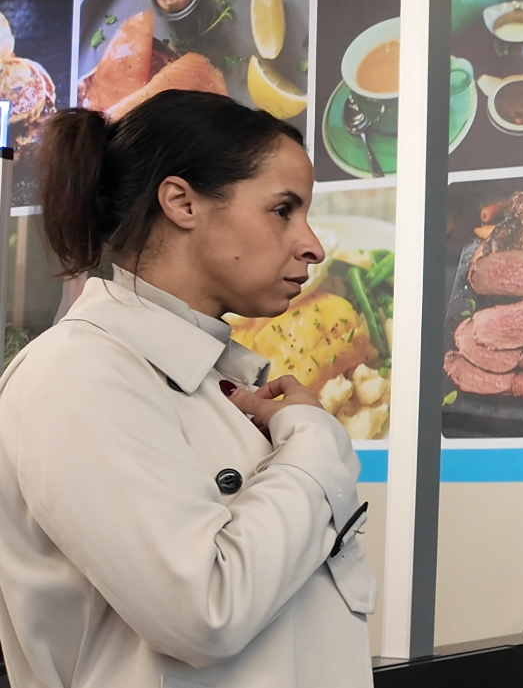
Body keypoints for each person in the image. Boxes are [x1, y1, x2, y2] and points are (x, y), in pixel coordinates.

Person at [0, 90, 376, 687]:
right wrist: (313, 441)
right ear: (181, 202)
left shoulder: (213, 376)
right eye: (283, 209)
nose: (313, 245)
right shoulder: (76, 375)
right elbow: (207, 611)